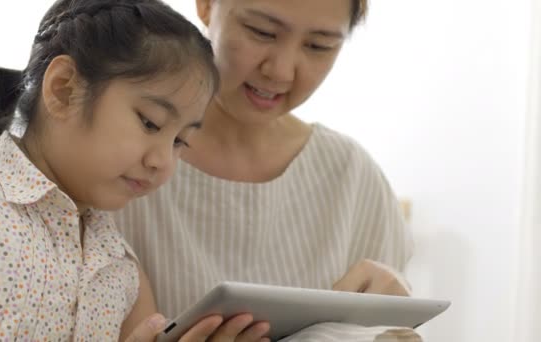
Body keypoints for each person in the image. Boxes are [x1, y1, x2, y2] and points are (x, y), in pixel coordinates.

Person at [0, 0, 252, 341]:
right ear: (64, 89)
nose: (162, 161)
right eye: (150, 123)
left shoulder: (124, 273)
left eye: (179, 141)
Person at [115, 0, 420, 341]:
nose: (281, 72)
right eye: (261, 32)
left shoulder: (351, 176)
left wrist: (395, 312)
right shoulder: (120, 163)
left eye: (319, 46)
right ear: (205, 6)